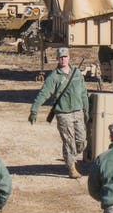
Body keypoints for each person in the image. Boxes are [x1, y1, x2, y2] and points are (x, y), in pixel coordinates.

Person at [29, 47, 89, 178]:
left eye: (65, 57)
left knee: (81, 141)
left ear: (69, 58)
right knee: (69, 141)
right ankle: (72, 167)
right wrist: (34, 109)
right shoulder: (54, 77)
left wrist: (86, 109)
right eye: (61, 57)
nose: (63, 59)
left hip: (78, 111)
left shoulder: (77, 74)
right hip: (63, 113)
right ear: (57, 59)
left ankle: (70, 157)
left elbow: (84, 93)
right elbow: (44, 93)